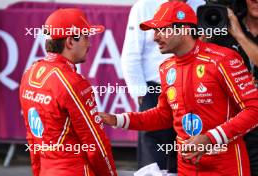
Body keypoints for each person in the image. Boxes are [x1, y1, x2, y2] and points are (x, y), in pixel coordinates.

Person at [101, 1, 258, 175]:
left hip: (225, 168)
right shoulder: (166, 68)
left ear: (183, 29)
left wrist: (210, 138)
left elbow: (254, 110)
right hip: (187, 169)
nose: (155, 37)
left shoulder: (223, 59)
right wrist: (116, 120)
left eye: (162, 29)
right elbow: (163, 115)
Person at [19, 8, 117, 176]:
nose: (90, 43)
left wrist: (38, 171)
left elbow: (32, 138)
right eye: (86, 37)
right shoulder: (73, 82)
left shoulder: (30, 72)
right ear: (70, 42)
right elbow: (94, 143)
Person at [121, 0, 205, 172]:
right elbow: (131, 55)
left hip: (194, 91)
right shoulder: (144, 6)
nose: (156, 36)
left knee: (187, 157)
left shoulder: (202, 4)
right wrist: (142, 95)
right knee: (152, 164)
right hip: (155, 91)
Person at [210, 0, 258, 174]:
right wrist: (203, 35)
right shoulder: (225, 23)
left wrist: (239, 35)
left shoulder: (234, 29)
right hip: (231, 122)